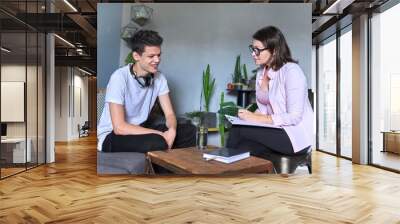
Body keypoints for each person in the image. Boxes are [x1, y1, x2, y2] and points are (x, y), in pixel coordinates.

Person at [97, 30, 196, 153]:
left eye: (159, 55)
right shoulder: (119, 77)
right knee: (157, 141)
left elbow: (170, 114)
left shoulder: (160, 78)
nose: (157, 60)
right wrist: (160, 134)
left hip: (139, 131)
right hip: (112, 136)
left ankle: (175, 168)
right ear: (136, 56)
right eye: (151, 56)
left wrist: (172, 131)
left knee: (190, 131)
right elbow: (119, 127)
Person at [226, 26, 314, 156]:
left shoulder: (291, 71)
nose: (253, 54)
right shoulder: (262, 73)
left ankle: (220, 172)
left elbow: (294, 117)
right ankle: (233, 173)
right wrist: (248, 116)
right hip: (276, 130)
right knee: (244, 147)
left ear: (274, 50)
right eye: (252, 49)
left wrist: (255, 119)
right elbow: (264, 109)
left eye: (257, 50)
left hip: (295, 135)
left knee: (238, 129)